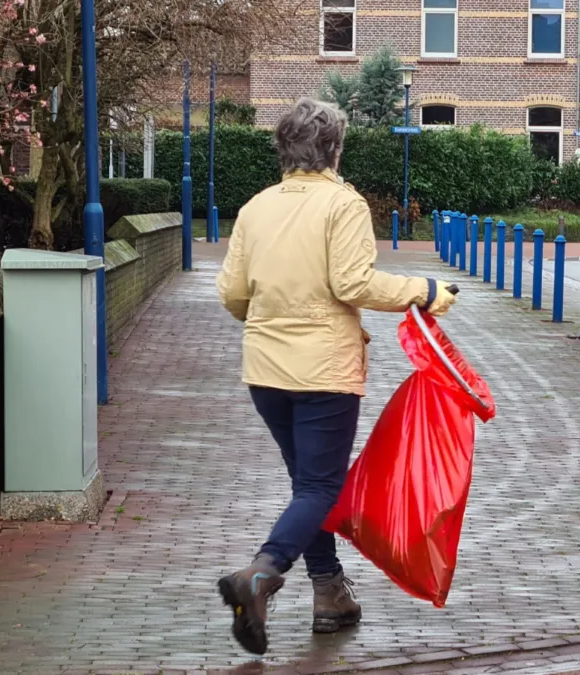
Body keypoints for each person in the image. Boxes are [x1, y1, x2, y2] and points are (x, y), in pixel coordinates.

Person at [215, 98, 458, 655]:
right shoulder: (342, 204)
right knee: (323, 487)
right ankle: (262, 573)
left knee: (310, 486)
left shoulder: (255, 207)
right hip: (323, 368)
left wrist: (267, 320)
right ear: (334, 149)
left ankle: (330, 596)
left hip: (265, 369)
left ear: (283, 148)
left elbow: (232, 293)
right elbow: (353, 283)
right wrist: (423, 292)